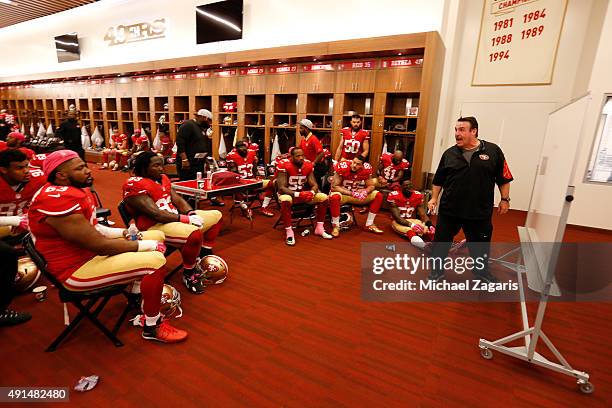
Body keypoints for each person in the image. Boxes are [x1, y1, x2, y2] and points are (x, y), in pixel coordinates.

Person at [28, 150, 187, 343]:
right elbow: (99, 245)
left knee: (158, 234)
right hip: (74, 270)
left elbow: (95, 229)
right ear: (61, 175)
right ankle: (152, 326)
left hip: (87, 256)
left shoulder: (76, 189)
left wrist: (123, 233)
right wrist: (141, 245)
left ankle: (137, 292)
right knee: (154, 262)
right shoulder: (57, 198)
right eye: (80, 168)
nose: (87, 171)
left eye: (85, 165)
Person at [122, 151, 223, 295]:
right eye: (156, 166)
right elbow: (155, 214)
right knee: (193, 235)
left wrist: (190, 213)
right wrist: (186, 220)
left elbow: (177, 199)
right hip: (154, 227)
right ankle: (189, 272)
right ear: (143, 167)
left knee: (216, 216)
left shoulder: (162, 178)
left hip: (173, 219)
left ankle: (203, 255)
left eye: (161, 165)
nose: (161, 169)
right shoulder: (134, 184)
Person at [428, 116, 513, 283]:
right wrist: (434, 198)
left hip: (478, 211)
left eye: (461, 130)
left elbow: (504, 177)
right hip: (450, 209)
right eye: (456, 130)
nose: (457, 133)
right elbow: (438, 180)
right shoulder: (449, 154)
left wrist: (505, 199)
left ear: (473, 131)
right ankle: (436, 273)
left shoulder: (493, 151)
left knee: (480, 246)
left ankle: (481, 274)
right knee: (441, 244)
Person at [0, 149, 46, 326]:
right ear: (3, 170)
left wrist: (27, 218)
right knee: (6, 254)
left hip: (23, 225)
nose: (26, 170)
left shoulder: (37, 178)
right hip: (9, 225)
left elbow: (42, 203)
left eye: (27, 166)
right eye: (19, 168)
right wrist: (16, 219)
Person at [276, 147, 332, 245]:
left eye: (302, 155)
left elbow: (314, 184)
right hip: (289, 194)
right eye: (298, 156)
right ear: (291, 157)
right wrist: (298, 194)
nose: (301, 158)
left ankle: (319, 228)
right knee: (285, 199)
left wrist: (311, 192)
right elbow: (281, 187)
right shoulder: (284, 164)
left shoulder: (307, 164)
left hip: (302, 194)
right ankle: (289, 232)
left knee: (323, 197)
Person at [176, 108, 223, 206]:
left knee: (197, 184)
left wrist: (206, 160)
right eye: (209, 120)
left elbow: (201, 145)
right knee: (187, 184)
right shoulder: (188, 125)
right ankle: (186, 207)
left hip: (198, 162)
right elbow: (180, 143)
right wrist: (184, 159)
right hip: (188, 162)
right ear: (203, 117)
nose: (210, 123)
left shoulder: (201, 128)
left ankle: (194, 205)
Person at [329, 156, 383, 236]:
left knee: (378, 195)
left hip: (357, 195)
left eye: (358, 164)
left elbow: (371, 186)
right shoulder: (343, 167)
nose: (354, 165)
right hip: (345, 195)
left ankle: (369, 224)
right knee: (335, 197)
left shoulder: (366, 170)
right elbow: (334, 187)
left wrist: (365, 191)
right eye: (353, 162)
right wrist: (351, 193)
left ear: (362, 165)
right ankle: (336, 226)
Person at [387, 180, 435, 250]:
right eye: (406, 185)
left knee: (428, 230)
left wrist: (429, 224)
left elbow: (422, 214)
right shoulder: (394, 195)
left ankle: (443, 245)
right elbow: (397, 217)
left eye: (410, 185)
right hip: (398, 222)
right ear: (401, 187)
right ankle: (425, 247)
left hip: (413, 220)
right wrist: (412, 225)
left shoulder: (417, 195)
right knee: (410, 231)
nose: (408, 187)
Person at [226, 140, 259, 219]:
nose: (243, 149)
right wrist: (241, 182)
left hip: (252, 180)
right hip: (240, 181)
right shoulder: (231, 156)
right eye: (240, 147)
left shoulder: (252, 153)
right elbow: (233, 173)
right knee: (235, 186)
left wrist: (256, 178)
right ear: (236, 149)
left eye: (244, 147)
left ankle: (264, 206)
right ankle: (244, 207)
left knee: (271, 184)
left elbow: (255, 169)